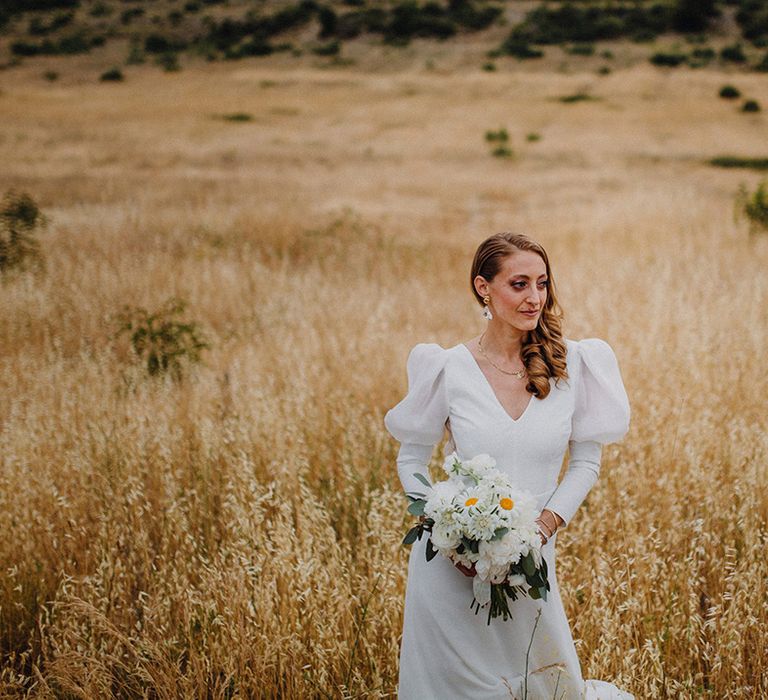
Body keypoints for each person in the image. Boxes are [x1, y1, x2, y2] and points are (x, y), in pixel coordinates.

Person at [384, 232, 633, 699]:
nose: (535, 297)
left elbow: (586, 460)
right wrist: (443, 527)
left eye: (542, 283)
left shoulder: (572, 364)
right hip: (449, 571)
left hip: (533, 559)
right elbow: (411, 457)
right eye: (519, 284)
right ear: (484, 288)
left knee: (543, 684)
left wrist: (542, 527)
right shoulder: (447, 367)